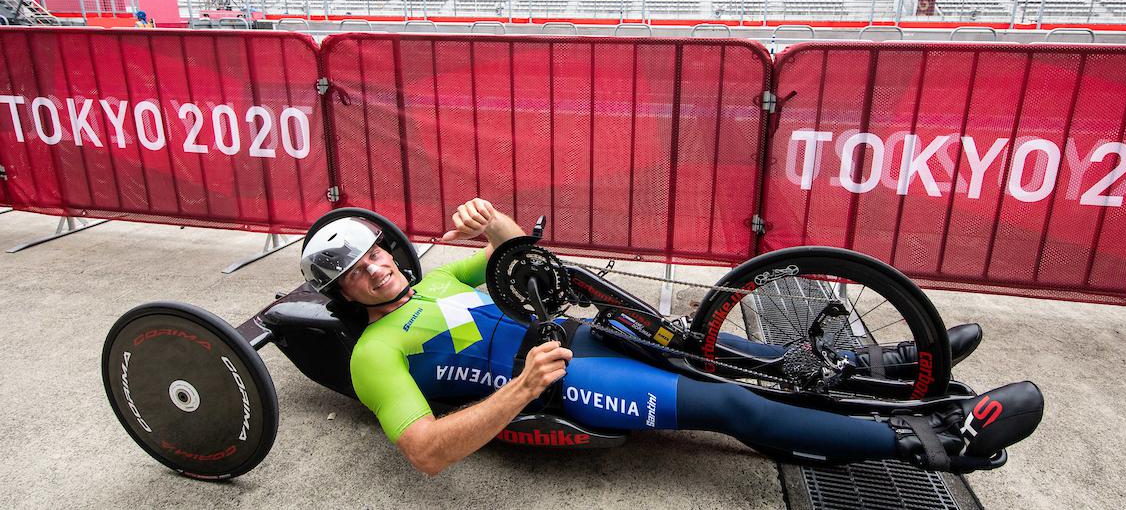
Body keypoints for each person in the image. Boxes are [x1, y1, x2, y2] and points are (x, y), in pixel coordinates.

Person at [300, 199, 1042, 476]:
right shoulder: (374, 355)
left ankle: (866, 366)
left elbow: (520, 253)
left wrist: (494, 223)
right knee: (728, 406)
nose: (375, 269)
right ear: (339, 291)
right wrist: (524, 389)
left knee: (712, 345)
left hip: (582, 335)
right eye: (354, 271)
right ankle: (938, 443)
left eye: (375, 253)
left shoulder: (435, 280)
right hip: (560, 381)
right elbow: (426, 452)